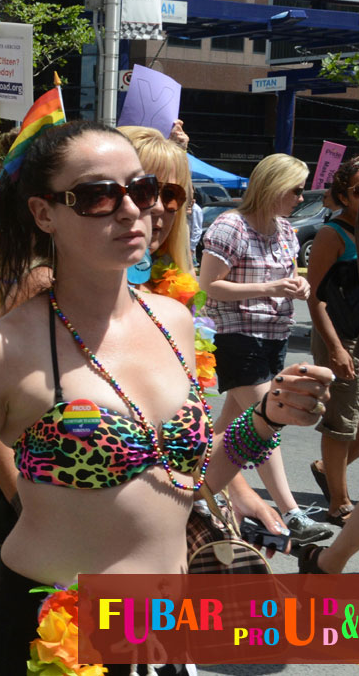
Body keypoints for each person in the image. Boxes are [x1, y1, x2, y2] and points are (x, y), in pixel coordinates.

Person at [0, 121, 334, 676]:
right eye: (95, 196)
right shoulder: (3, 350)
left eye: (140, 190)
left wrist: (266, 417)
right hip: (52, 634)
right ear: (44, 214)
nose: (132, 210)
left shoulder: (176, 322)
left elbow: (191, 477)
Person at [122, 126, 287, 538]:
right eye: (144, 189)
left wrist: (232, 485)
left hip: (162, 505)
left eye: (173, 195)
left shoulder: (174, 294)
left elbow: (187, 426)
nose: (158, 206)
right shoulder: (52, 293)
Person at [198, 152, 332, 544]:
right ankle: (291, 513)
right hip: (237, 338)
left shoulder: (285, 230)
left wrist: (298, 285)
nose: (299, 197)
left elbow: (289, 275)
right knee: (269, 421)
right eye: (295, 189)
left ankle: (194, 487)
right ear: (273, 187)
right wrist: (271, 288)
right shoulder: (230, 226)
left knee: (230, 430)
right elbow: (209, 285)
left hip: (274, 336)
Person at [306, 155, 359, 525]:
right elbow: (314, 297)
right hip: (343, 337)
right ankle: (339, 502)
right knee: (342, 422)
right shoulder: (334, 233)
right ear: (344, 196)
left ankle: (329, 469)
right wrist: (333, 347)